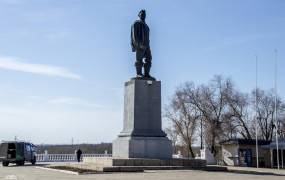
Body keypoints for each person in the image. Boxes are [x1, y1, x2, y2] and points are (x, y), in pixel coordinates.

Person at [131, 9, 155, 80]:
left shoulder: (147, 26)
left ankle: (146, 74)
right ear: (139, 15)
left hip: (147, 45)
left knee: (149, 59)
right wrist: (138, 44)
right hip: (140, 45)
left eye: (144, 14)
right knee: (139, 60)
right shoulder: (136, 23)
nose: (143, 15)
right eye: (141, 13)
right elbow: (134, 36)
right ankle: (139, 73)